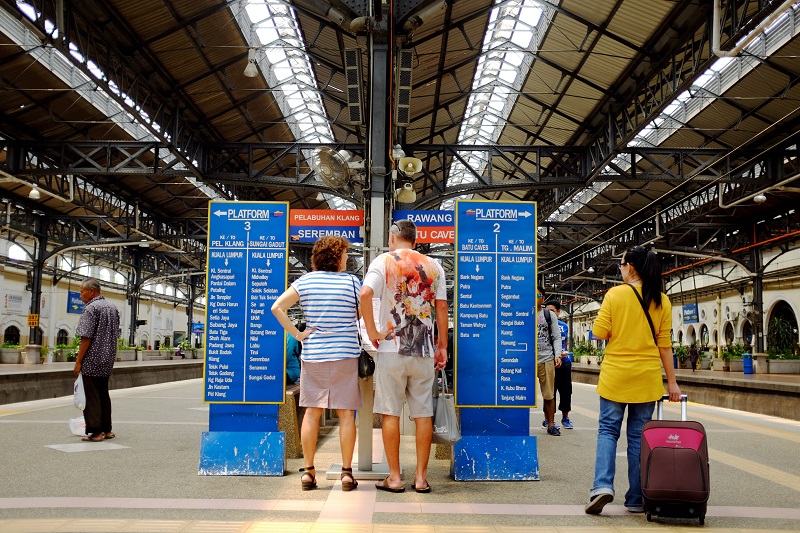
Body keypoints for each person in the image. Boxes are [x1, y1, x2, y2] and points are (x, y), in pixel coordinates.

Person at [585, 245, 682, 515]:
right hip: (647, 379)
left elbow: (600, 332)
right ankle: (637, 498)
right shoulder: (662, 300)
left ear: (631, 267)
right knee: (639, 438)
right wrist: (672, 383)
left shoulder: (615, 294)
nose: (619, 268)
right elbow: (665, 345)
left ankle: (602, 487)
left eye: (621, 264)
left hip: (616, 376)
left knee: (607, 432)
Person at [360, 220, 448, 494]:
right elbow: (442, 306)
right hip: (423, 350)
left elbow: (365, 293)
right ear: (416, 239)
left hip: (392, 349)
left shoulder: (385, 261)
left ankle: (395, 478)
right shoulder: (434, 266)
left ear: (393, 236)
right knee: (422, 413)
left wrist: (373, 330)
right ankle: (421, 479)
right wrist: (442, 345)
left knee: (390, 412)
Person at [271, 236, 361, 492]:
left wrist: (298, 334)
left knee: (312, 412)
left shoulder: (306, 281)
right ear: (336, 256)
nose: (346, 258)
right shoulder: (352, 282)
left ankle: (309, 473)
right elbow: (359, 314)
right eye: (344, 254)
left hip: (314, 355)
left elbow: (277, 307)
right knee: (346, 414)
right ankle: (346, 474)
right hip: (345, 354)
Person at [72, 278, 121, 442]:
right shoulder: (112, 308)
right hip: (107, 359)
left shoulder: (91, 308)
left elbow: (86, 337)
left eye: (81, 291)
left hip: (92, 359)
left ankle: (96, 432)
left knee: (92, 396)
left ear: (91, 291)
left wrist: (78, 361)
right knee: (103, 394)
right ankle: (107, 430)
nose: (80, 295)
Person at [537, 287, 563, 436]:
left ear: (543, 297)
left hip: (546, 358)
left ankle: (551, 424)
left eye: (538, 294)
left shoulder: (549, 315)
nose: (535, 297)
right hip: (527, 359)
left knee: (549, 394)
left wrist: (557, 355)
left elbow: (556, 336)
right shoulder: (523, 313)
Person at [544, 299, 573, 429]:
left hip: (564, 363)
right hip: (549, 362)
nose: (549, 313)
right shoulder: (542, 325)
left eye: (552, 311)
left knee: (566, 391)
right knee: (550, 392)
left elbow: (564, 342)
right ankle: (548, 420)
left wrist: (563, 353)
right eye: (547, 311)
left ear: (558, 312)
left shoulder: (564, 326)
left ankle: (565, 417)